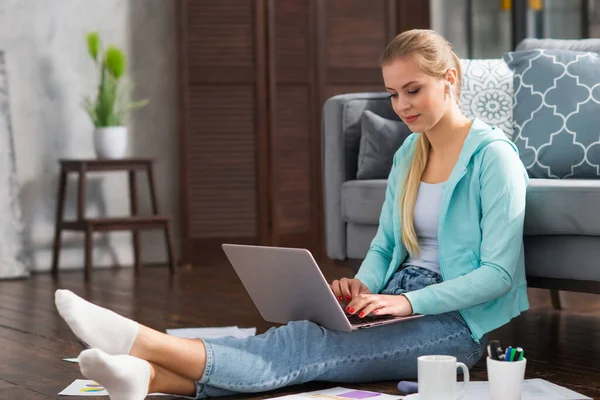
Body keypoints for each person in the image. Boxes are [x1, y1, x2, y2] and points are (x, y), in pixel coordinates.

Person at [54, 29, 529, 400]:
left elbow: (499, 274)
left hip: (455, 326)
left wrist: (406, 304)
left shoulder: (494, 157)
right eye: (392, 93)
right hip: (392, 297)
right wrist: (362, 286)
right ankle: (149, 378)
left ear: (450, 81)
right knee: (304, 339)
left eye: (413, 90)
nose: (401, 106)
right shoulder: (409, 153)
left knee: (312, 349)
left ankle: (141, 342)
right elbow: (386, 244)